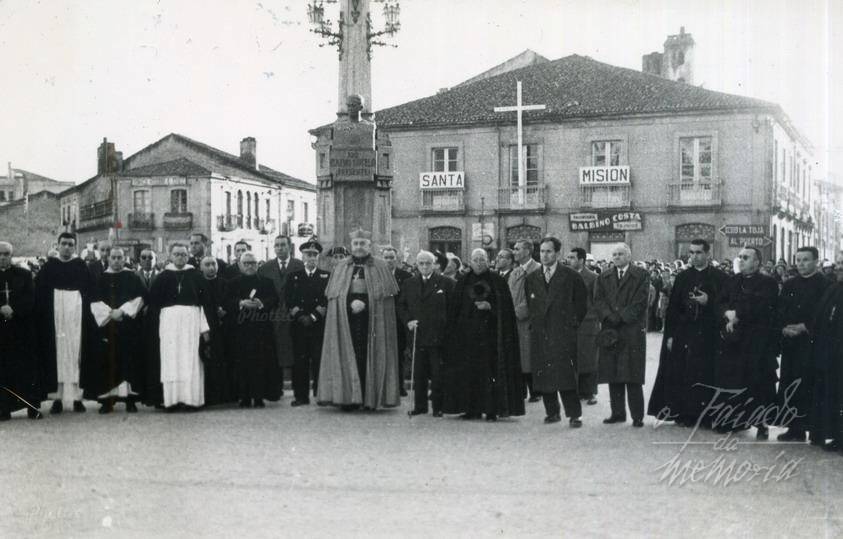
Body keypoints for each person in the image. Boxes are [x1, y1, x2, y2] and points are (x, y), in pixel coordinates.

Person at [647, 239, 728, 427]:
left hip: (709, 335)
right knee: (685, 373)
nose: (694, 256)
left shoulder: (720, 277)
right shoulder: (683, 277)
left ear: (708, 254)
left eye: (698, 252)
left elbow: (726, 306)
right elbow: (673, 309)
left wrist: (709, 301)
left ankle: (707, 416)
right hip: (686, 333)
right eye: (691, 252)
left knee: (707, 374)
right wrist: (670, 336)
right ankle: (686, 414)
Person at [318, 228, 400, 410]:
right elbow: (335, 297)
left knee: (368, 356)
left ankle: (369, 399)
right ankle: (348, 398)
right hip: (346, 319)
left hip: (373, 319)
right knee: (348, 355)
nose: (359, 247)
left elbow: (385, 298)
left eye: (363, 243)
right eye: (356, 243)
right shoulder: (341, 267)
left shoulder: (380, 266)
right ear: (351, 246)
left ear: (369, 246)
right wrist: (350, 304)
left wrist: (366, 304)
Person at [442, 248, 523, 421]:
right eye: (475, 260)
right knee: (469, 373)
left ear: (488, 261)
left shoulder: (497, 281)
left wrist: (490, 306)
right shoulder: (463, 281)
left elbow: (506, 309)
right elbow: (454, 310)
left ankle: (491, 410)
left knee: (490, 373)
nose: (479, 263)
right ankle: (471, 409)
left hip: (491, 337)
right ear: (470, 262)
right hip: (467, 337)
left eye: (482, 259)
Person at [712, 246, 779, 439]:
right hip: (734, 342)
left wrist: (737, 315)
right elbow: (719, 302)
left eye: (746, 257)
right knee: (733, 381)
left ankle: (761, 424)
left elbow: (761, 305)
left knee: (758, 384)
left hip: (757, 342)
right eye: (740, 257)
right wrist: (727, 313)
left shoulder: (768, 283)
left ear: (757, 262)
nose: (741, 260)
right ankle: (734, 420)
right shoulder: (732, 280)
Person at [525, 237, 588, 427]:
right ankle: (552, 412)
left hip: (562, 334)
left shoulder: (571, 276)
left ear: (558, 253)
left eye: (549, 251)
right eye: (542, 251)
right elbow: (531, 305)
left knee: (566, 376)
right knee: (544, 375)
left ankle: (574, 415)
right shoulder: (532, 278)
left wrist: (570, 326)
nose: (544, 255)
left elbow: (581, 305)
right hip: (541, 334)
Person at [774, 246, 831, 441]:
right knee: (792, 384)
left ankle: (816, 430)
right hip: (791, 344)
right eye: (798, 260)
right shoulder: (789, 284)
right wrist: (783, 327)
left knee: (812, 385)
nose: (801, 264)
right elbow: (779, 309)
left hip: (812, 344)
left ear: (816, 261)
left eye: (806, 260)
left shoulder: (826, 285)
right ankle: (794, 428)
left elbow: (825, 314)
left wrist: (805, 326)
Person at [35, 232, 95, 414]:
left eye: (70, 244)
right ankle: (57, 399)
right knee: (58, 353)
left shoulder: (81, 266)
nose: (67, 247)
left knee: (75, 351)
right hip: (55, 315)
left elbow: (90, 292)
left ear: (74, 247)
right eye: (64, 244)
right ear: (58, 245)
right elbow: (39, 292)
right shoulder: (49, 266)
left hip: (76, 314)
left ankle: (77, 398)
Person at [147, 243, 209, 411]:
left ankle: (192, 401)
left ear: (188, 256)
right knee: (171, 360)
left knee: (191, 360)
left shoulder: (196, 276)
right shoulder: (162, 277)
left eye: (183, 254)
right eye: (177, 254)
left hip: (191, 323)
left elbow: (204, 305)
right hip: (169, 324)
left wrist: (204, 329)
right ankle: (171, 401)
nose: (180, 257)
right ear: (170, 256)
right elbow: (154, 305)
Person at [594, 243, 649, 427]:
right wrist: (609, 316)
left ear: (629, 256)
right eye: (614, 254)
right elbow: (598, 300)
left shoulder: (641, 275)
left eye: (620, 254)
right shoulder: (604, 276)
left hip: (631, 330)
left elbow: (640, 301)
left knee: (632, 374)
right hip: (611, 330)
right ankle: (617, 413)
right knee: (613, 373)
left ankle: (637, 416)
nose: (616, 257)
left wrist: (621, 317)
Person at [87, 248, 146, 413]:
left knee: (129, 361)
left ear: (124, 259)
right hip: (108, 326)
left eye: (120, 257)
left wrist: (123, 311)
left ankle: (130, 400)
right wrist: (110, 313)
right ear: (108, 259)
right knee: (109, 360)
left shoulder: (132, 277)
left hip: (128, 326)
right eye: (113, 257)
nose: (116, 261)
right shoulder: (101, 278)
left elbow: (141, 297)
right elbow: (94, 300)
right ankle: (107, 401)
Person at [397, 250, 454, 417]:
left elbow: (453, 308)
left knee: (437, 373)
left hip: (438, 336)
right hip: (418, 335)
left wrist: (446, 328)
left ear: (434, 264)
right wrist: (408, 321)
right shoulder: (409, 283)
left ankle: (438, 407)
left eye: (428, 263)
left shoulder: (446, 283)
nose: (424, 266)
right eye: (421, 263)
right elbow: (401, 305)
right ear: (416, 265)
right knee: (419, 373)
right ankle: (420, 406)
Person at [226, 252, 281, 408]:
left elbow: (274, 299)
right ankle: (244, 397)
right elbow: (227, 301)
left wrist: (261, 303)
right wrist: (241, 303)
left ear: (257, 265)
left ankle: (258, 397)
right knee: (242, 364)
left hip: (261, 330)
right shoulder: (232, 283)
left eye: (252, 263)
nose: (249, 266)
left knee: (260, 363)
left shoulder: (267, 282)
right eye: (246, 263)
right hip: (240, 330)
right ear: (240, 265)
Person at [257, 235, 304, 396]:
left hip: (293, 313)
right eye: (277, 245)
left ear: (289, 246)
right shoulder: (265, 268)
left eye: (283, 245)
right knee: (275, 348)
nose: (280, 248)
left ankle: (296, 386)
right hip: (272, 314)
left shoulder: (299, 265)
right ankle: (275, 387)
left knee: (294, 347)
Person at [0, 241, 41, 420]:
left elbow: (31, 298)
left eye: (6, 254)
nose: (2, 257)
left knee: (26, 367)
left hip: (21, 329)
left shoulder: (24, 274)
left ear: (12, 256)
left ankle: (32, 406)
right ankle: (3, 408)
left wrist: (13, 308)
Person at [285, 240, 329, 406]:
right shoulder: (293, 276)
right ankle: (301, 396)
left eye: (314, 255)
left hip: (318, 325)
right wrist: (300, 316)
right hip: (299, 325)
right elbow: (289, 299)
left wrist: (313, 317)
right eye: (308, 254)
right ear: (302, 256)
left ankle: (321, 394)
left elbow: (326, 300)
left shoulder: (326, 276)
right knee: (300, 362)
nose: (311, 258)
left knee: (319, 360)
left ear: (318, 257)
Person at [810, 252, 843, 451]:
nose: (839, 267)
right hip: (830, 353)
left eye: (842, 264)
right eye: (838, 263)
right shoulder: (833, 288)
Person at [199, 256, 236, 406]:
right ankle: (208, 396)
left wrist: (226, 310)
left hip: (223, 327)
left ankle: (225, 395)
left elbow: (231, 301)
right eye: (207, 265)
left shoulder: (225, 283)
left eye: (213, 264)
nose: (211, 267)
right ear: (201, 268)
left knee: (224, 359)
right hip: (205, 326)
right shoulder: (198, 284)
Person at [565, 247, 600, 405]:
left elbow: (597, 301)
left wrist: (589, 317)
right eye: (568, 257)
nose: (569, 260)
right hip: (569, 324)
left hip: (587, 324)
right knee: (573, 358)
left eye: (572, 257)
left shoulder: (593, 277)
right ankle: (577, 391)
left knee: (589, 359)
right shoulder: (565, 276)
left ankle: (590, 392)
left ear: (581, 260)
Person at [509, 239, 541, 402]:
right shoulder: (515, 271)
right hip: (515, 319)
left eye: (517, 249)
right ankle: (521, 391)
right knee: (519, 356)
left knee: (530, 356)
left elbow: (536, 297)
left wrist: (518, 311)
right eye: (514, 249)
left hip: (529, 320)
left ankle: (535, 391)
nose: (514, 252)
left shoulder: (537, 269)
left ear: (528, 251)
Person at [382, 245, 412, 396]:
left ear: (397, 259)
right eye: (386, 257)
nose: (389, 260)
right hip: (382, 321)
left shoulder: (406, 276)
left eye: (392, 257)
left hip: (399, 322)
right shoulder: (377, 275)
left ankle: (399, 386)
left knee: (399, 354)